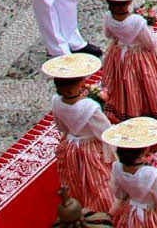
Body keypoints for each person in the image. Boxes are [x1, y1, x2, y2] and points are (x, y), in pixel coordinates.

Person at [42, 53, 114, 214]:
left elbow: (61, 126)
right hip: (90, 148)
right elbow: (105, 131)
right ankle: (104, 208)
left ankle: (80, 201)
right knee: (98, 180)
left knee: (77, 178)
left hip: (71, 145)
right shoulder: (89, 107)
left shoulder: (56, 101)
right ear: (78, 84)